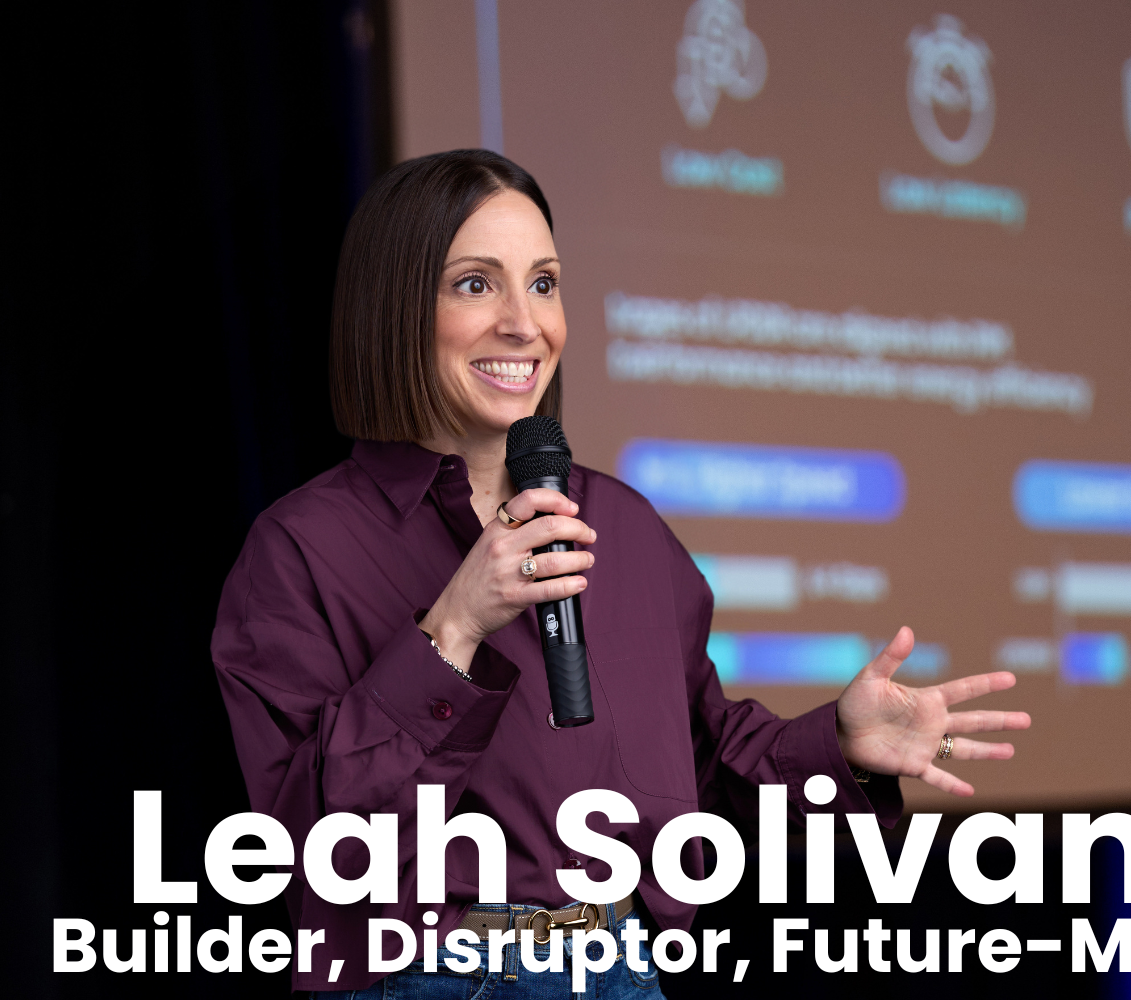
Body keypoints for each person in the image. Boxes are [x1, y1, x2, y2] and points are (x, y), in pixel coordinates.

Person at [210, 149, 1030, 998]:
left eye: (543, 282)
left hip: (625, 966)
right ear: (394, 308)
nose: (525, 324)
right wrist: (450, 630)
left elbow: (704, 768)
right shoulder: (302, 547)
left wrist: (843, 747)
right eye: (475, 284)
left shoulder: (625, 526)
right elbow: (301, 845)